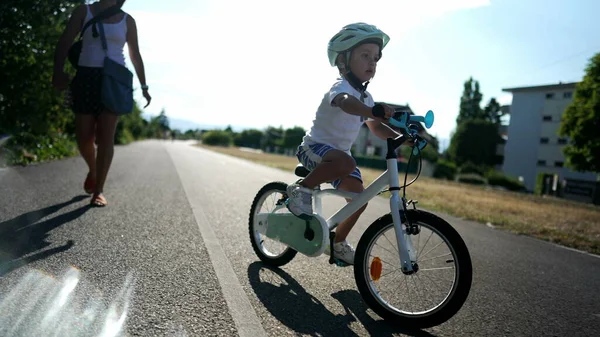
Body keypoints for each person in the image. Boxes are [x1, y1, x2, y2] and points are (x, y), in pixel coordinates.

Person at [287, 23, 407, 266]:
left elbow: (375, 127)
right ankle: (300, 191)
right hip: (314, 149)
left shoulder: (367, 98)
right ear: (343, 60)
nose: (372, 63)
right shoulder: (341, 88)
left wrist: (400, 136)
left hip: (339, 158)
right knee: (346, 160)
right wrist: (370, 110)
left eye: (375, 58)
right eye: (365, 56)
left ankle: (337, 242)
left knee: (359, 199)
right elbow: (344, 103)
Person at [52, 0, 151, 207]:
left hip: (114, 80)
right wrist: (57, 71)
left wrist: (144, 86)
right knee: (83, 137)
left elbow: (135, 54)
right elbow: (65, 41)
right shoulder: (83, 11)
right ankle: (94, 169)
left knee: (106, 137)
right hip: (85, 77)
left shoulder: (127, 20)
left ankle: (99, 190)